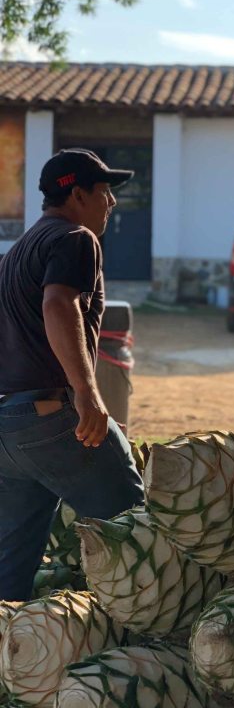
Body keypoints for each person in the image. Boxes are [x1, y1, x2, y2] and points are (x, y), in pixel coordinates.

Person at [0, 148, 144, 601]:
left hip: (9, 429)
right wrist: (86, 394)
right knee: (139, 529)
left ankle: (11, 659)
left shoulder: (15, 253)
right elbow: (58, 304)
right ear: (77, 195)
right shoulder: (76, 238)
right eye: (104, 192)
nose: (112, 203)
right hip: (52, 418)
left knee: (11, 566)